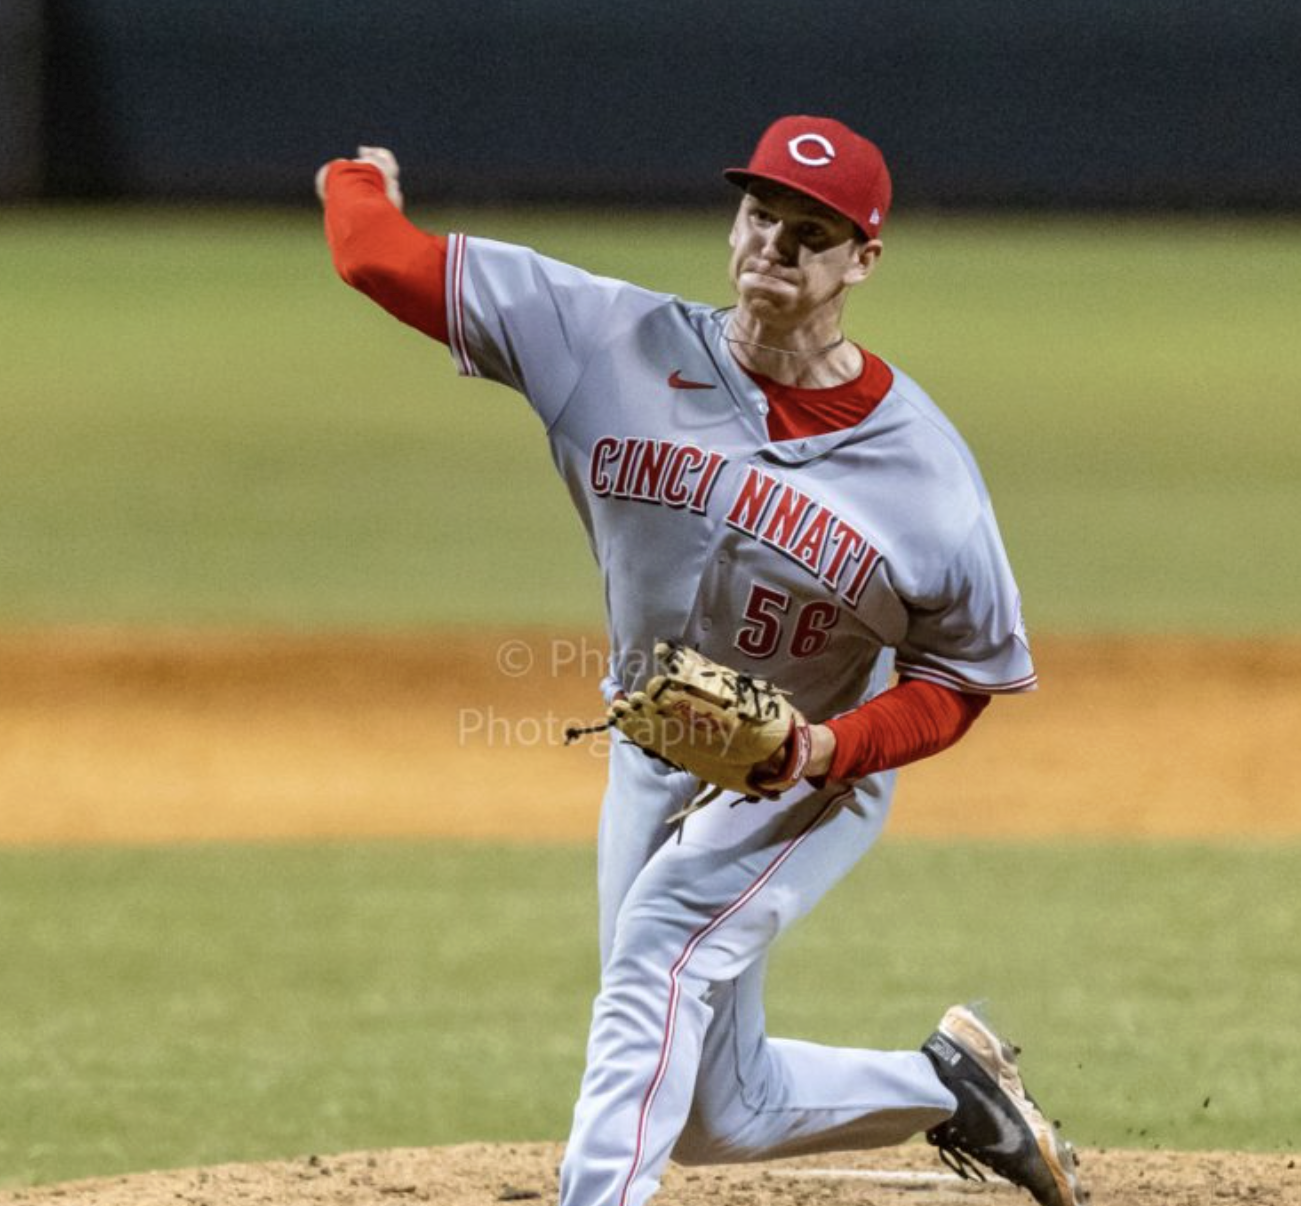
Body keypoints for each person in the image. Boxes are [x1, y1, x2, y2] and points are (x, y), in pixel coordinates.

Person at [316, 116, 1087, 1206]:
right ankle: (949, 1089)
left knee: (656, 948)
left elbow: (962, 679)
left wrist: (825, 750)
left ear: (861, 259)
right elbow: (374, 257)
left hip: (809, 768)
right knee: (718, 1117)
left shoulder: (927, 479)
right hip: (654, 745)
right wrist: (358, 178)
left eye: (809, 231)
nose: (773, 244)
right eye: (759, 214)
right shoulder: (602, 342)